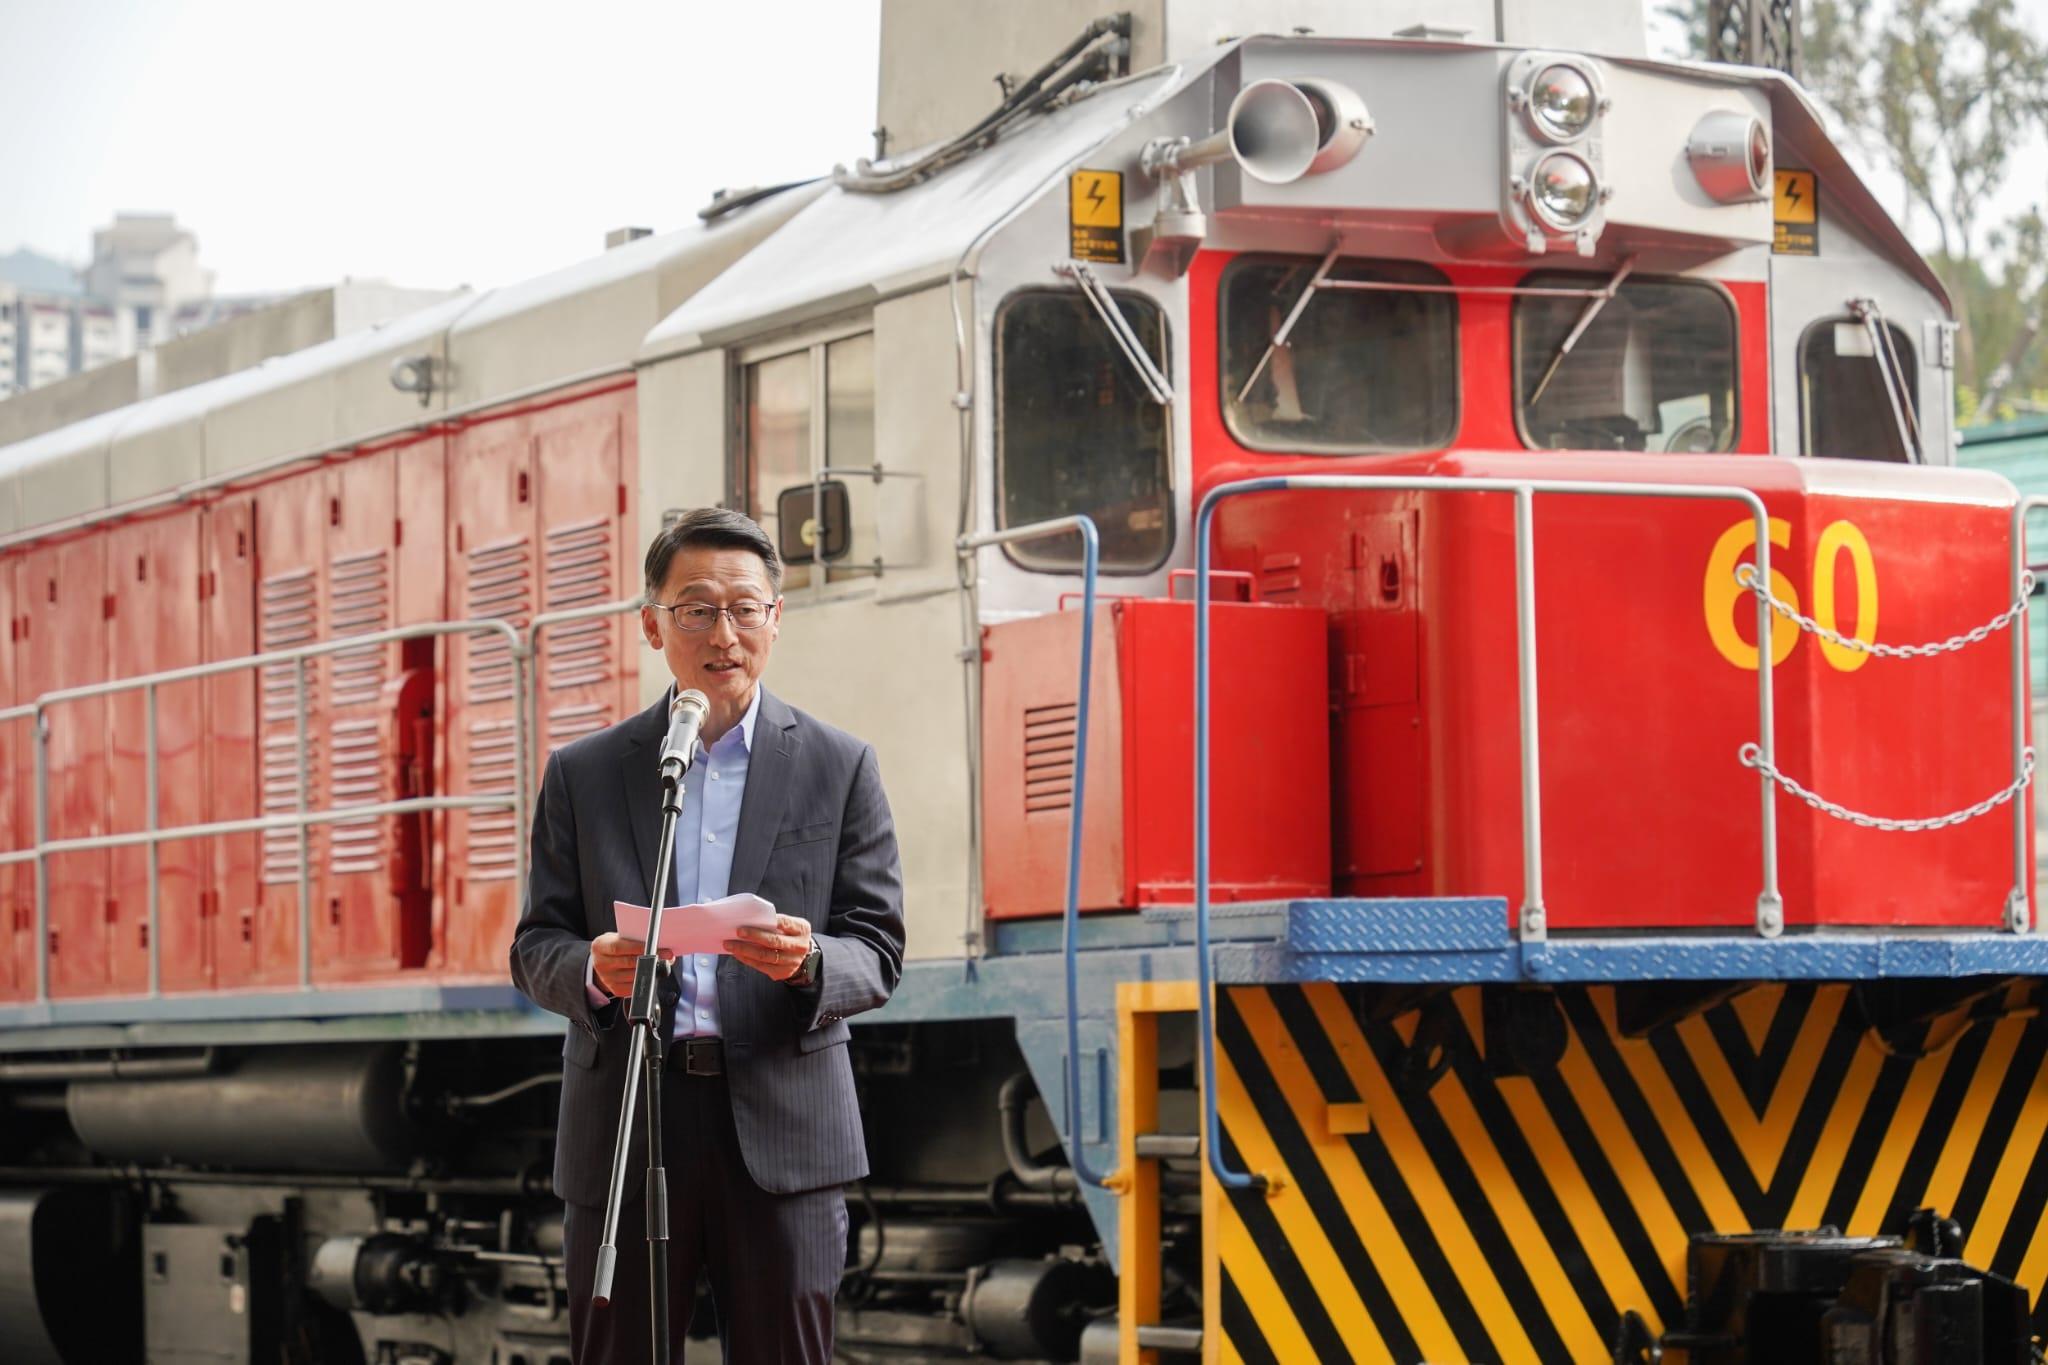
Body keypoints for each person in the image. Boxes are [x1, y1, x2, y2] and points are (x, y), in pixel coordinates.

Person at [510, 507, 905, 1365]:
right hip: (627, 1120)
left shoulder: (840, 765)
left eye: (744, 608)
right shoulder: (584, 773)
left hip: (784, 1123)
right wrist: (592, 970)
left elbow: (878, 949)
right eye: (696, 609)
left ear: (775, 618)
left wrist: (809, 960)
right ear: (653, 624)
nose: (723, 634)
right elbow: (536, 945)